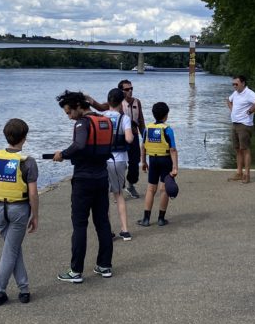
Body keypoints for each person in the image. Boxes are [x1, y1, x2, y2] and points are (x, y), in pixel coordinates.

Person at [52, 90, 114, 283]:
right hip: (102, 177)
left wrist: (62, 154)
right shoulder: (105, 121)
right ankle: (104, 266)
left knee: (80, 225)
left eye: (69, 112)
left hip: (83, 180)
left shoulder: (82, 123)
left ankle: (75, 271)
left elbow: (79, 145)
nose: (70, 117)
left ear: (79, 106)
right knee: (102, 222)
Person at [0, 118, 39, 306]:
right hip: (19, 209)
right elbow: (32, 193)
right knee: (11, 250)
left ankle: (24, 289)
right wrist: (35, 215)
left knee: (13, 249)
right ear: (25, 138)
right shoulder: (28, 161)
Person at [137, 101, 178, 227]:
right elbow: (173, 149)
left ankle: (146, 219)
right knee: (164, 189)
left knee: (151, 189)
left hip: (153, 160)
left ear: (153, 114)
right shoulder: (168, 129)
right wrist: (175, 167)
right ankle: (161, 218)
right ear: (166, 115)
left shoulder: (147, 129)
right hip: (165, 160)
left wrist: (143, 162)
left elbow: (143, 147)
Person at [103, 87, 134, 240]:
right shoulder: (124, 118)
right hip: (119, 159)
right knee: (119, 194)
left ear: (108, 101)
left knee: (104, 197)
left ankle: (107, 231)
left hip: (103, 159)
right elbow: (129, 139)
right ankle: (125, 230)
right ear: (121, 101)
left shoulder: (101, 117)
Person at [227, 74, 255, 184]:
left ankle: (247, 175)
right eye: (233, 84)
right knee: (237, 149)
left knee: (245, 149)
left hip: (244, 124)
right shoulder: (236, 93)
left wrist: (250, 111)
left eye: (236, 84)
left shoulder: (249, 93)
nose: (234, 86)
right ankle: (239, 173)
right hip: (235, 124)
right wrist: (232, 110)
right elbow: (228, 100)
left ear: (243, 83)